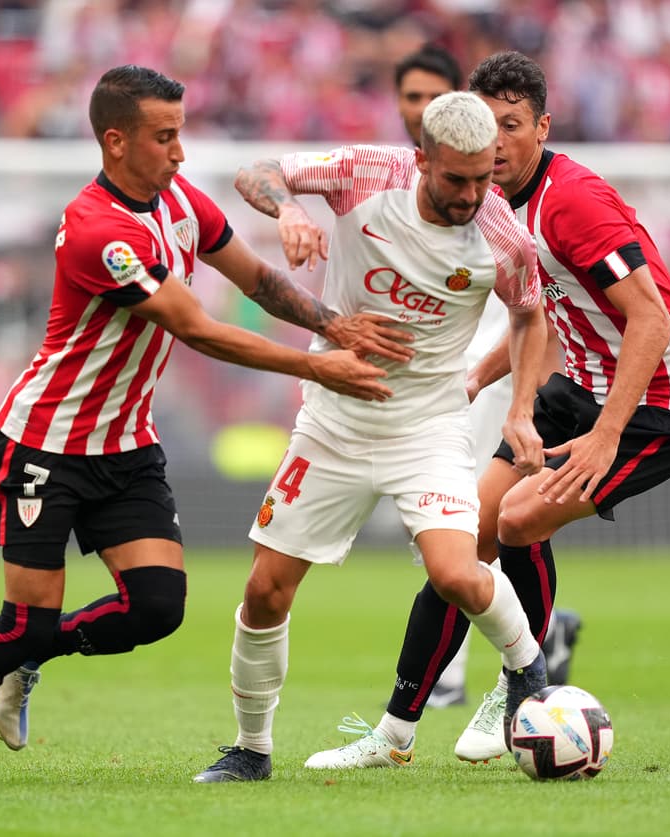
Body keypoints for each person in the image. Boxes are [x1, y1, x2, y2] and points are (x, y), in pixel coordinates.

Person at [0, 65, 410, 789]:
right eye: (165, 136)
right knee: (24, 618)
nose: (180, 152)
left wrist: (333, 322)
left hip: (126, 444)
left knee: (157, 607)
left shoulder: (180, 199)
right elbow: (196, 328)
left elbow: (254, 279)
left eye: (180, 133)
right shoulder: (100, 232)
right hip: (45, 445)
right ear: (116, 141)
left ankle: (28, 657)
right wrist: (318, 367)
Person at [315, 50, 670, 769]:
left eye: (512, 124)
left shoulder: (573, 201)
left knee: (521, 517)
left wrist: (606, 436)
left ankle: (520, 686)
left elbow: (650, 321)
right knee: (464, 538)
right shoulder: (495, 205)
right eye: (488, 123)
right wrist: (478, 380)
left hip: (662, 403)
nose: (496, 140)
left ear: (542, 127)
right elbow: (543, 316)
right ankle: (394, 732)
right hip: (583, 385)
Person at [192, 91, 552, 783]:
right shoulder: (363, 172)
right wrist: (291, 209)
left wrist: (521, 410)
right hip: (334, 423)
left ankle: (527, 673)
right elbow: (257, 171)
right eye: (456, 179)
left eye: (484, 178)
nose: (472, 193)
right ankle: (251, 748)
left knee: (454, 573)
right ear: (420, 159)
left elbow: (530, 318)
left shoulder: (503, 235)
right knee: (266, 590)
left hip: (428, 426)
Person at [392, 43, 582, 710]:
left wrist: (499, 387)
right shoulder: (425, 185)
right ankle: (535, 650)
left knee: (477, 519)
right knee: (479, 524)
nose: (419, 109)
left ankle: (503, 670)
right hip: (465, 372)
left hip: (519, 379)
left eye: (430, 97)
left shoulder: (529, 199)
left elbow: (543, 314)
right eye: (409, 99)